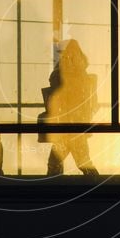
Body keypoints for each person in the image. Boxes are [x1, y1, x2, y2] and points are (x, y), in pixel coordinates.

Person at [42, 40, 99, 177]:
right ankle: (97, 185)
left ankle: (53, 190)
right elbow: (93, 105)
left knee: (56, 164)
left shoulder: (63, 76)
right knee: (82, 161)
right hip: (76, 127)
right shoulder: (83, 78)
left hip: (66, 128)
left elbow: (55, 92)